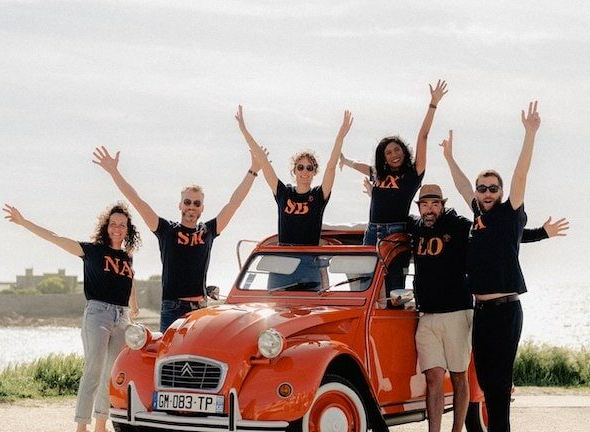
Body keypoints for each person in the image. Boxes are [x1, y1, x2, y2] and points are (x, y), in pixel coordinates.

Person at [409, 183, 566, 432]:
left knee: (460, 375)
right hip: (426, 314)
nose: (430, 209)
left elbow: (501, 236)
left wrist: (542, 233)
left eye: (435, 203)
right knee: (433, 376)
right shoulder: (416, 229)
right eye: (425, 204)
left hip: (458, 310)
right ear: (419, 207)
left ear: (442, 204)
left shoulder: (458, 225)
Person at [440, 100, 542, 432]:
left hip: (505, 310)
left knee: (499, 381)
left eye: (491, 188)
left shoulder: (508, 215)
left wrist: (529, 134)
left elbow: (520, 175)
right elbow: (462, 182)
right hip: (481, 310)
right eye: (483, 188)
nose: (485, 192)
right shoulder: (477, 217)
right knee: (485, 379)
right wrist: (450, 157)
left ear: (500, 192)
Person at [3, 202, 140, 432]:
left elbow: (129, 280)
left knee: (111, 374)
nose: (117, 228)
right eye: (113, 224)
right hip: (97, 314)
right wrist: (23, 222)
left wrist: (133, 304)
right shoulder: (91, 251)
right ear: (106, 227)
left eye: (122, 224)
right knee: (93, 370)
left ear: (128, 229)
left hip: (122, 317)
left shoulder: (127, 257)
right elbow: (55, 238)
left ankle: (100, 431)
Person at [92, 142, 261, 331]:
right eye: (187, 202)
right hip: (172, 308)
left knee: (198, 358)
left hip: (199, 310)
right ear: (180, 205)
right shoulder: (166, 230)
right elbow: (137, 201)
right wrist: (114, 172)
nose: (191, 206)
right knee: (168, 357)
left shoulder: (208, 231)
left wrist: (253, 170)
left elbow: (234, 203)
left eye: (196, 203)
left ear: (201, 208)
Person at [341, 80, 447, 294]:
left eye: (397, 150)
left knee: (393, 287)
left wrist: (433, 104)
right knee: (365, 286)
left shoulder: (412, 174)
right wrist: (347, 162)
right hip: (372, 232)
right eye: (388, 153)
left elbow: (423, 136)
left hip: (395, 232)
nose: (394, 155)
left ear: (404, 151)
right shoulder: (379, 173)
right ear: (384, 158)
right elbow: (365, 168)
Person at [235, 105, 353, 289]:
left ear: (314, 172)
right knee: (278, 315)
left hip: (309, 264)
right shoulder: (284, 193)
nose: (304, 171)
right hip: (282, 265)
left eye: (309, 167)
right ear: (294, 170)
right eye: (300, 167)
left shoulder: (318, 196)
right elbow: (264, 163)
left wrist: (341, 136)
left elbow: (331, 167)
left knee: (309, 315)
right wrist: (244, 130)